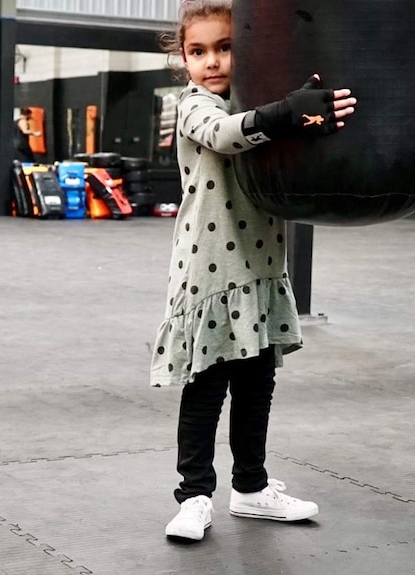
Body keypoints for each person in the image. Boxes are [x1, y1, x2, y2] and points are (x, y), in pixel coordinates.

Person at [151, 0, 356, 542]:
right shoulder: (193, 106)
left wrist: (312, 114)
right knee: (206, 391)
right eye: (198, 51)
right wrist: (287, 112)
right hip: (210, 275)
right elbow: (227, 135)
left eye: (225, 47)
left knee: (256, 386)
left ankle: (250, 488)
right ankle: (194, 496)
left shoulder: (256, 105)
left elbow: (283, 136)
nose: (212, 61)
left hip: (262, 268)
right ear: (184, 60)